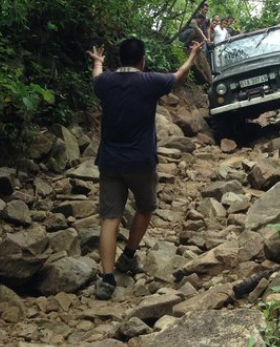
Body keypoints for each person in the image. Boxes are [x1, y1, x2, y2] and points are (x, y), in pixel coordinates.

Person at [86, 38, 203, 300]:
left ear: (118, 60)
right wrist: (193, 54)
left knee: (110, 217)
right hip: (141, 161)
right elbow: (179, 75)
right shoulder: (150, 81)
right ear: (143, 60)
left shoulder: (105, 82)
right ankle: (128, 255)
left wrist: (97, 62)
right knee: (146, 207)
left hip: (110, 162)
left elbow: (96, 77)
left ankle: (106, 279)